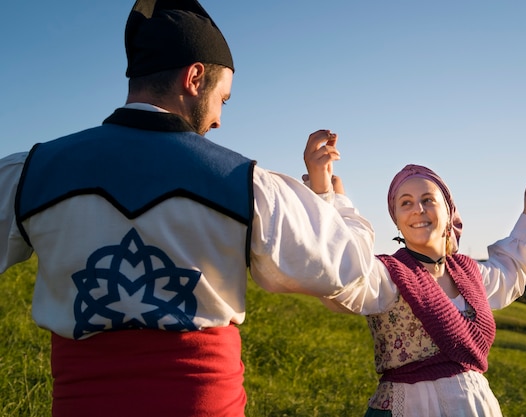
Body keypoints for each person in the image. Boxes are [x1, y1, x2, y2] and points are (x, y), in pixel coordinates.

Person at [0, 1, 377, 416]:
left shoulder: (30, 172)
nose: (218, 120)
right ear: (194, 78)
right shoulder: (246, 184)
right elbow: (351, 267)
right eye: (224, 99)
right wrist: (331, 200)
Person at [304, 157, 526, 416]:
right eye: (405, 202)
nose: (417, 209)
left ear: (448, 211)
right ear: (396, 219)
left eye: (428, 199)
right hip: (411, 407)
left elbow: (506, 272)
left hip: (477, 406)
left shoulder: (469, 272)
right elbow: (342, 271)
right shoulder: (388, 275)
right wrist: (327, 198)